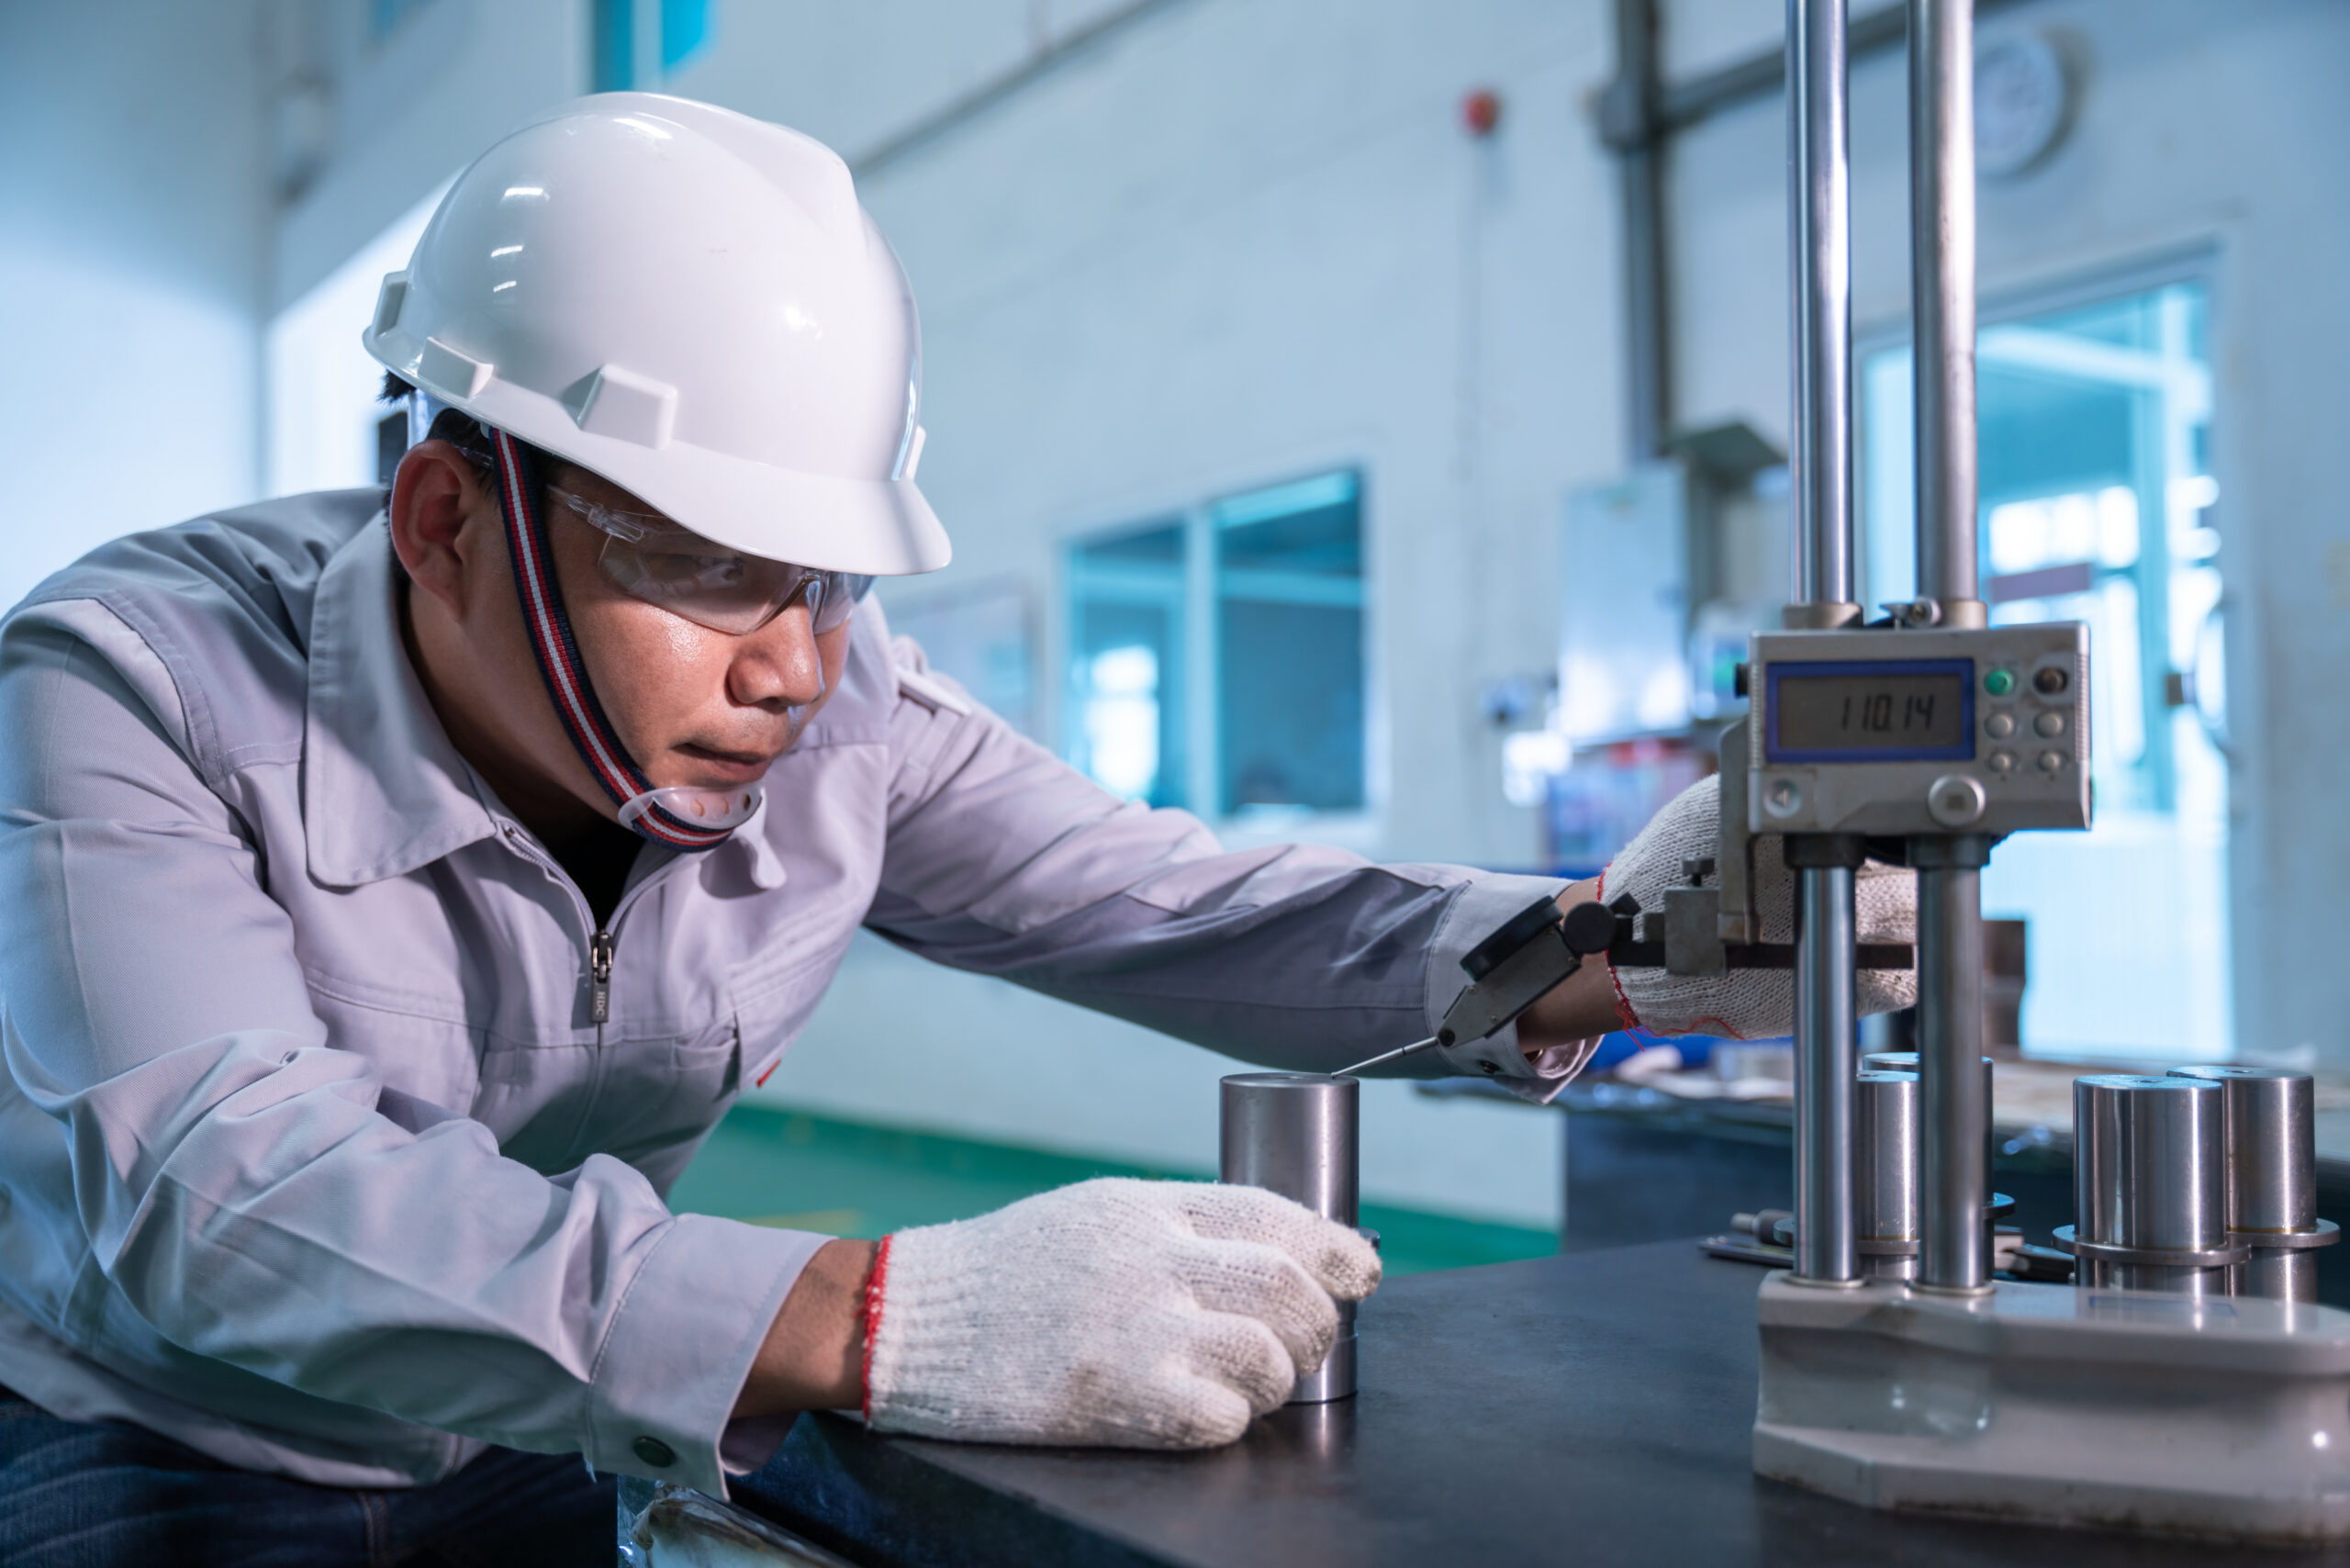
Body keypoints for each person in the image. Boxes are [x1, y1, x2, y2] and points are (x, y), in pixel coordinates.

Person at [0, 95, 1916, 1565]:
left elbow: (1157, 901)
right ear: (439, 518)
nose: (792, 665)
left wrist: (1600, 935)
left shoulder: (832, 702)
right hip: (154, 1441)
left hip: (532, 1417)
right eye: (711, 572)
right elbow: (218, 1187)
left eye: (827, 579)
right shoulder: (127, 686)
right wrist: (866, 1307)